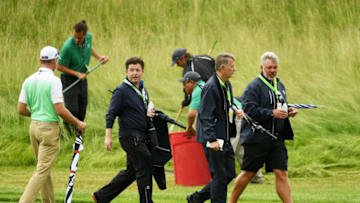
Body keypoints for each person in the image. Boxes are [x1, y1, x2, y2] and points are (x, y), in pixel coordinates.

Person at [17, 46, 86, 203]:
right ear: (55, 61)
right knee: (42, 171)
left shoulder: (29, 80)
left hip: (34, 128)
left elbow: (21, 109)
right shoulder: (54, 81)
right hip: (48, 129)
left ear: (41, 60)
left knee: (44, 169)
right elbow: (60, 110)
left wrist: (35, 113)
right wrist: (77, 122)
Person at [229, 52, 298, 203]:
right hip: (257, 138)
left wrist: (289, 110)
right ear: (261, 67)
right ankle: (231, 201)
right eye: (269, 67)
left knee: (281, 173)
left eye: (275, 67)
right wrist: (271, 113)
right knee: (248, 173)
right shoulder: (254, 87)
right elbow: (249, 110)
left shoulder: (279, 85)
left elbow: (280, 105)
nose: (272, 70)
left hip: (277, 139)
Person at [92, 57, 155, 203]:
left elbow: (138, 110)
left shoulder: (143, 90)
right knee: (145, 165)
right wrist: (108, 136)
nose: (134, 73)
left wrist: (148, 114)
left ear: (142, 72)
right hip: (130, 137)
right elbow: (111, 114)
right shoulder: (121, 91)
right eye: (131, 70)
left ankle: (101, 196)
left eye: (137, 70)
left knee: (131, 172)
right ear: (126, 72)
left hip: (141, 135)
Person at [187, 53, 243, 203]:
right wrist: (212, 139)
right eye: (232, 67)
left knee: (229, 173)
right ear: (222, 68)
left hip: (224, 137)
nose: (234, 69)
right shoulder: (211, 87)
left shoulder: (227, 84)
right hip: (213, 139)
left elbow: (228, 103)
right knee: (219, 176)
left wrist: (236, 109)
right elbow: (205, 116)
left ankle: (196, 198)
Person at [57, 20, 109, 136]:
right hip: (69, 79)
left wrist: (99, 57)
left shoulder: (89, 37)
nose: (76, 40)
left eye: (79, 38)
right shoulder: (67, 47)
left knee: (82, 107)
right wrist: (77, 74)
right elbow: (58, 66)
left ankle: (79, 133)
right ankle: (69, 134)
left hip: (82, 79)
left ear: (85, 35)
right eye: (74, 37)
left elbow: (89, 47)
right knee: (72, 109)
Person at [230, 97, 265, 184]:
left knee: (229, 149)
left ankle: (223, 176)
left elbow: (193, 114)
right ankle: (256, 177)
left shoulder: (200, 91)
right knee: (241, 150)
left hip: (237, 117)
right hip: (242, 116)